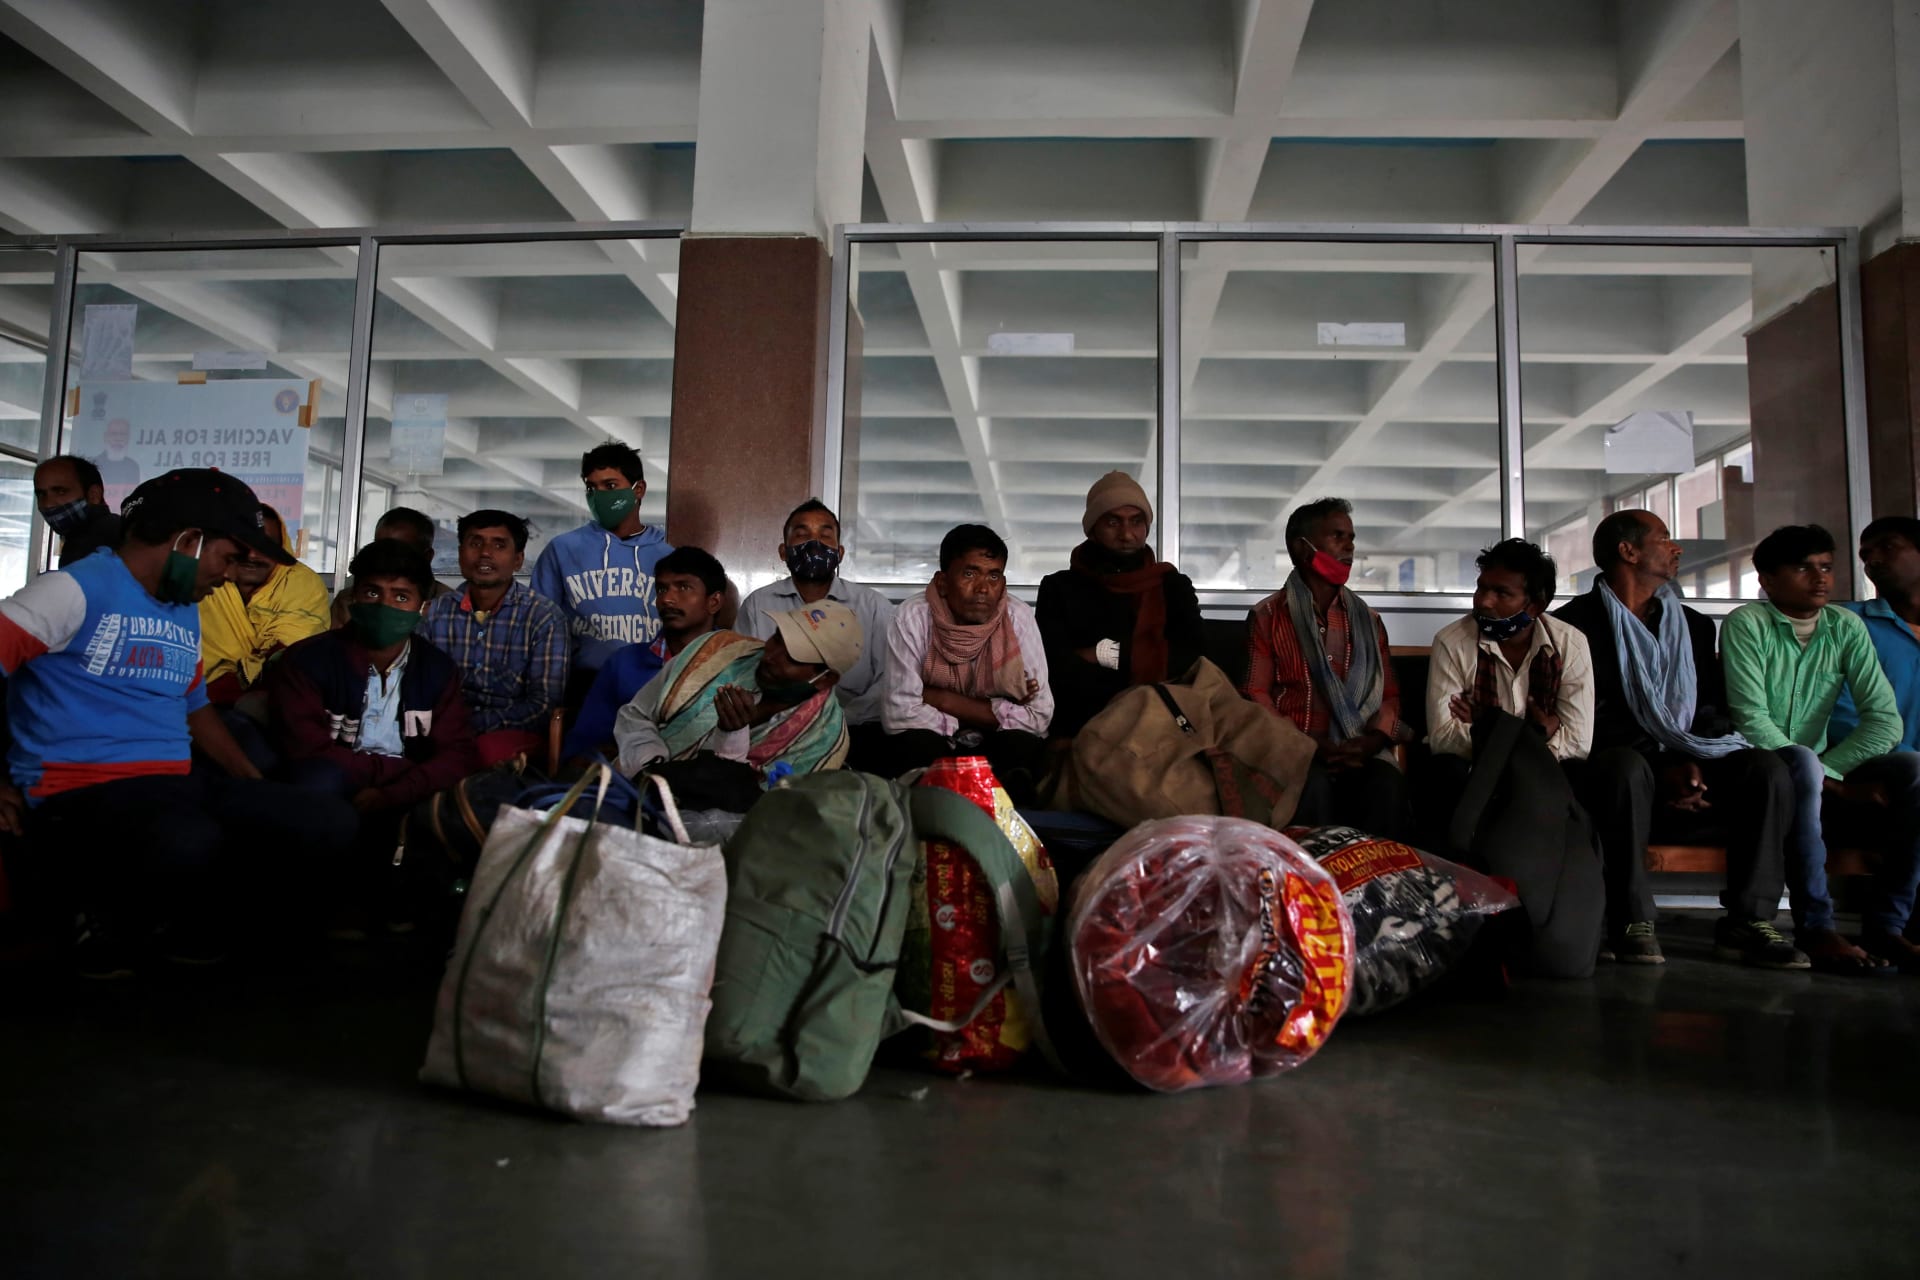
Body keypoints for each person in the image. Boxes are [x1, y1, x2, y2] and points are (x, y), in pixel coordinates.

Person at [0, 468, 352, 976]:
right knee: (188, 837)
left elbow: (196, 709)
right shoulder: (73, 590)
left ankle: (188, 926)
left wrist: (255, 790)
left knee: (323, 821)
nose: (230, 575)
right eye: (227, 558)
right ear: (188, 540)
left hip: (171, 780)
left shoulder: (181, 605)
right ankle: (95, 918)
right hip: (78, 787)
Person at [1554, 509, 1804, 969]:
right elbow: (1589, 717)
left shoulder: (1693, 625)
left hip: (1690, 754)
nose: (1677, 548)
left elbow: (1709, 708)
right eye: (1664, 538)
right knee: (1624, 767)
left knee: (1766, 769)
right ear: (1627, 551)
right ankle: (1631, 918)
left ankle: (1747, 921)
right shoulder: (1573, 625)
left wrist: (1694, 762)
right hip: (1622, 761)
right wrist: (1665, 764)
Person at [1720, 524, 1917, 975]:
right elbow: (1752, 721)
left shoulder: (1844, 625)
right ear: (1767, 581)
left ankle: (1888, 926)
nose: (1820, 578)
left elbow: (1884, 719)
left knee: (1914, 768)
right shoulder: (1748, 623)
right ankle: (1816, 925)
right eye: (1803, 568)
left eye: (1826, 567)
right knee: (1801, 761)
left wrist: (1830, 773)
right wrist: (1819, 774)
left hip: (1819, 766)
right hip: (1755, 764)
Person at [273, 538, 480, 932]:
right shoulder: (308, 660)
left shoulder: (437, 670)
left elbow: (456, 755)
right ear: (353, 598)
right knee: (318, 782)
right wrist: (385, 775)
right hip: (336, 784)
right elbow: (304, 747)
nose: (385, 606)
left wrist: (392, 793)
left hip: (404, 790)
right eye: (372, 592)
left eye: (401, 596)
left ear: (423, 608)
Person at [1241, 497, 1411, 839]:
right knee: (1309, 786)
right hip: (1295, 751)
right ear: (1302, 549)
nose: (1349, 547)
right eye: (1337, 537)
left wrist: (1371, 741)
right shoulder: (1268, 617)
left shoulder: (1368, 621)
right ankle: (1311, 888)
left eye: (1351, 538)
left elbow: (1389, 696)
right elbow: (1254, 695)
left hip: (1360, 752)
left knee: (1385, 785)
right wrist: (1307, 744)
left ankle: (1376, 886)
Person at [880, 524, 1051, 802]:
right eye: (969, 573)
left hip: (993, 738)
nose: (983, 588)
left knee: (1023, 749)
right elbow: (899, 714)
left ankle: (1007, 840)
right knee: (913, 746)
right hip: (936, 737)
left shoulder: (1018, 618)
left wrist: (943, 700)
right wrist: (978, 719)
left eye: (994, 576)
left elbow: (1039, 716)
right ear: (943, 582)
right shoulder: (912, 618)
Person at [613, 601, 861, 784]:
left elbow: (771, 819)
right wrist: (650, 768)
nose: (771, 656)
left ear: (825, 678)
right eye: (777, 638)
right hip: (630, 794)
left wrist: (730, 745)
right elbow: (636, 714)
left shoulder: (824, 739)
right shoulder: (714, 651)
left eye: (792, 656)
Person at [1036, 471, 1203, 738]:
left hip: (1162, 718)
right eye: (1113, 522)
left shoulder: (1171, 585)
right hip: (1082, 722)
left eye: (1136, 522)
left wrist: (1104, 654)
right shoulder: (1060, 588)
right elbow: (1053, 667)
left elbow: (1191, 657)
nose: (1127, 534)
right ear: (1093, 529)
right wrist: (1140, 657)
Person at [1424, 538, 1595, 798]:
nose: (1484, 602)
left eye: (1501, 593)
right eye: (1481, 588)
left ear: (1535, 606)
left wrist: (1486, 727)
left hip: (1545, 776)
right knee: (1446, 770)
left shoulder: (1570, 644)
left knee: (1584, 775)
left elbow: (1578, 741)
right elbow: (1443, 736)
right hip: (1476, 772)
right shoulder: (1452, 641)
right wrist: (1535, 735)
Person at [736, 499, 895, 771]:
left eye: (825, 536)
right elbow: (743, 673)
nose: (814, 544)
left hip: (858, 732)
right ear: (784, 552)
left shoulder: (873, 606)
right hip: (775, 729)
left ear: (840, 552)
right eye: (801, 535)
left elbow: (889, 680)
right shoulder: (758, 605)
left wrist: (836, 719)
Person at [420, 510, 569, 768]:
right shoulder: (434, 612)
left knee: (479, 754)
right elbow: (418, 686)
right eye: (475, 543)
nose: (485, 553)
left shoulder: (544, 617)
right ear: (460, 553)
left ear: (518, 560)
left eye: (499, 545)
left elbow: (543, 706)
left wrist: (471, 724)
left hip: (511, 734)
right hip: (441, 729)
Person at [531, 442, 672, 701]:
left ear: (638, 489)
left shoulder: (669, 556)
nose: (599, 495)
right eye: (591, 487)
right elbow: (539, 626)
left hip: (656, 684)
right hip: (586, 684)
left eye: (609, 486)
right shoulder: (563, 549)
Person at [565, 546, 726, 765]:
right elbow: (585, 745)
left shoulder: (735, 662)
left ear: (713, 602)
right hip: (631, 785)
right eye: (661, 589)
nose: (667, 599)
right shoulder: (624, 663)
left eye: (683, 587)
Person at [1832, 516, 1920, 754]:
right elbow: (1836, 711)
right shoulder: (1847, 622)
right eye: (1865, 556)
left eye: (1888, 547)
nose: (1873, 561)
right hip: (1878, 767)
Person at [330, 507, 450, 626]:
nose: (388, 557)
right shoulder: (348, 601)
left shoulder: (449, 606)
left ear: (427, 556)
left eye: (401, 551)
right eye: (380, 548)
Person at [34, 455, 121, 567]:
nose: (48, 504)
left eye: (61, 492)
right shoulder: (118, 528)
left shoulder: (88, 542)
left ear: (94, 495)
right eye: (41, 494)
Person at [91, 417, 141, 486]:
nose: (118, 439)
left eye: (122, 434)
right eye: (114, 434)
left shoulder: (133, 466)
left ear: (128, 438)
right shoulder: (93, 465)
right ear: (105, 437)